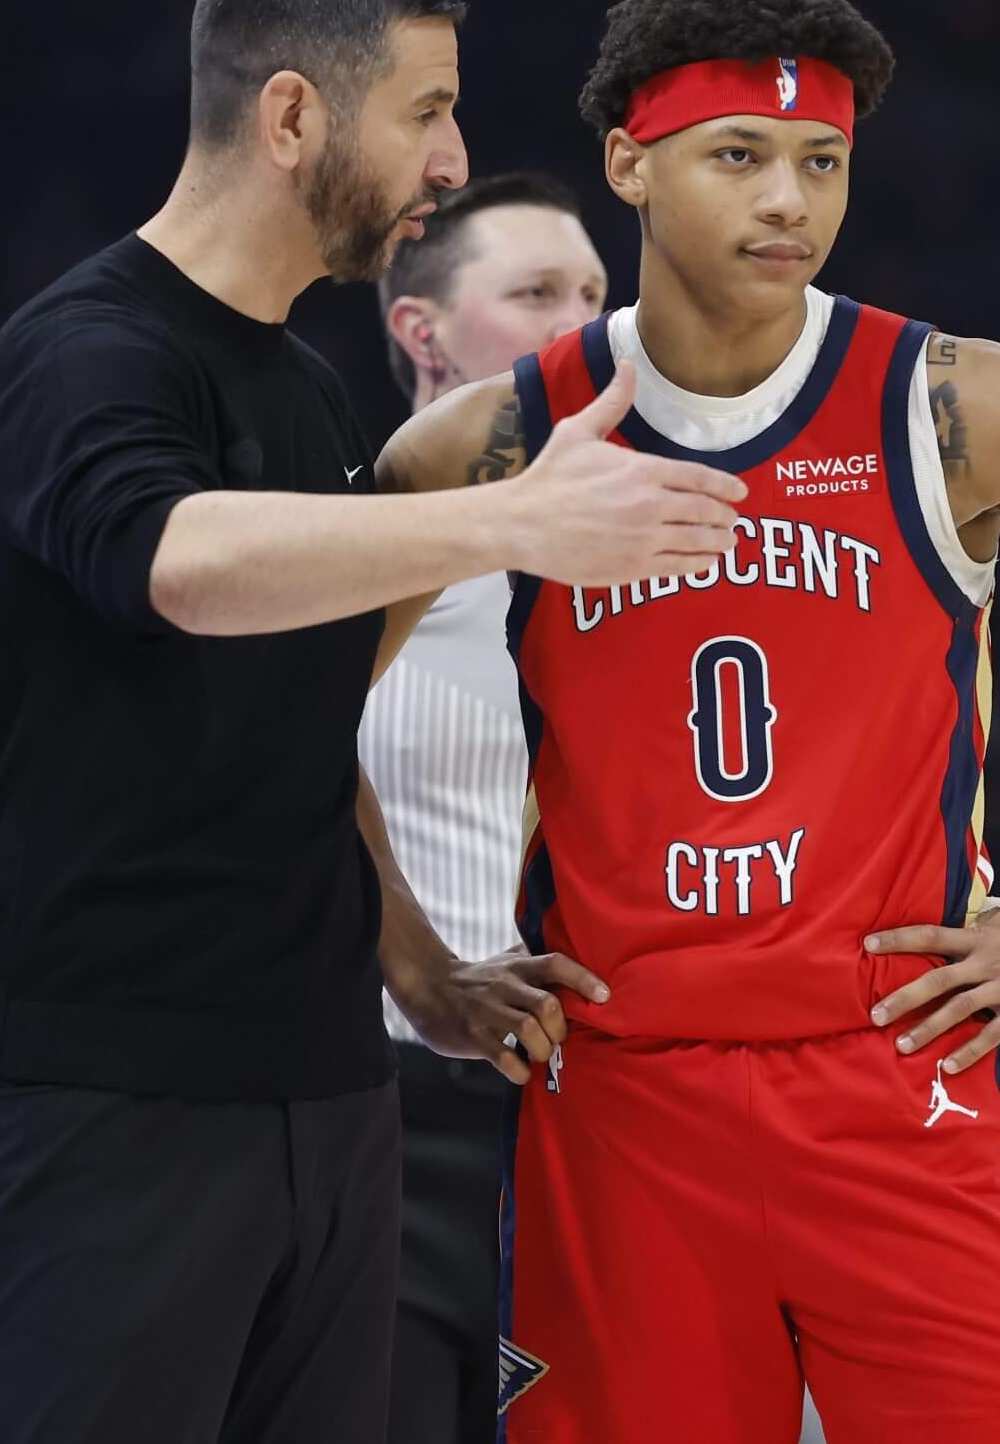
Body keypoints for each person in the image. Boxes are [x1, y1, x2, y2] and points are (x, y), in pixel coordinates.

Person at [373, 0, 1000, 1440]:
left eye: (821, 159)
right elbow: (279, 716)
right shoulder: (497, 440)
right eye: (738, 155)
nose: (788, 200)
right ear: (630, 160)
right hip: (627, 1101)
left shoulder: (959, 408)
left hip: (901, 1073)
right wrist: (416, 962)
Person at [0, 0, 745, 1444]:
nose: (451, 161)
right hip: (106, 1095)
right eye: (425, 112)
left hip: (328, 1092)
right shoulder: (81, 354)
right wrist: (512, 518)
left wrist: (420, 967)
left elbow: (303, 741)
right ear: (294, 114)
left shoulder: (306, 388)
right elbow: (173, 560)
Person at [359, 170, 607, 1444]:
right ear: (424, 331)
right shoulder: (330, 549)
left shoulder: (672, 564)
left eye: (594, 296)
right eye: (535, 295)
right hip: (387, 1108)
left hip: (609, 1115)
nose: (583, 324)